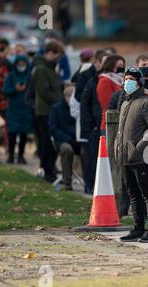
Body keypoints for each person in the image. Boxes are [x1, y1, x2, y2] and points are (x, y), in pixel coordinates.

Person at [116, 67, 148, 243]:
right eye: (126, 78)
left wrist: (139, 148)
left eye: (132, 79)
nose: (127, 82)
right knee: (133, 194)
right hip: (126, 157)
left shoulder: (147, 102)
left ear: (140, 82)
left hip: (142, 157)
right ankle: (138, 228)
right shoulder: (126, 103)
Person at [32, 41, 64, 183]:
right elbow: (44, 91)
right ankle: (47, 171)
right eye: (57, 56)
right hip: (45, 111)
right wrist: (59, 102)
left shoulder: (50, 69)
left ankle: (50, 169)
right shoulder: (41, 69)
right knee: (46, 143)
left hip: (50, 110)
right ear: (50, 53)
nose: (59, 60)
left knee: (51, 144)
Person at [80, 50, 111, 194]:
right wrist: (89, 125)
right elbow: (84, 104)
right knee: (92, 158)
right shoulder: (92, 80)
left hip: (107, 126)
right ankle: (89, 185)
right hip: (94, 127)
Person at [49, 85, 84, 191]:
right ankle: (67, 182)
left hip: (77, 139)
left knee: (87, 151)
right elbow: (53, 129)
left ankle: (89, 182)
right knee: (67, 150)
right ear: (65, 96)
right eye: (70, 96)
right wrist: (67, 138)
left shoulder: (79, 108)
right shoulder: (56, 109)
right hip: (62, 140)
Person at [2, 55, 34, 164]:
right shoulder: (10, 76)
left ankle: (21, 155)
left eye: (23, 64)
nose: (21, 67)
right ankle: (11, 155)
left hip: (26, 109)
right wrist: (14, 89)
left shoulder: (30, 77)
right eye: (19, 64)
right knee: (12, 133)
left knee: (24, 133)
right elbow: (5, 90)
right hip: (13, 109)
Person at [96, 54, 125, 135]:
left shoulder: (122, 80)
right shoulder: (105, 81)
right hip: (110, 123)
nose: (121, 68)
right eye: (119, 66)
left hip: (121, 122)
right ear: (111, 66)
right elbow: (107, 104)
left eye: (123, 65)